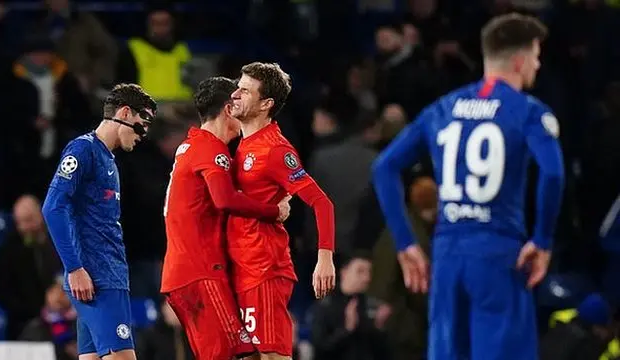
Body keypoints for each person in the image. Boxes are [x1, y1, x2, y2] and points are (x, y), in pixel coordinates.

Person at [372, 13, 565, 360]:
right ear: (520, 60)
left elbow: (384, 166)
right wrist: (543, 240)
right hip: (498, 254)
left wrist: (405, 243)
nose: (538, 64)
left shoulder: (444, 107)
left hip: (446, 257)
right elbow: (553, 173)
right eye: (536, 55)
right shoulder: (528, 110)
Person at [160, 76, 293, 360]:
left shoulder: (193, 146)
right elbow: (225, 199)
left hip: (191, 271)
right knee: (230, 356)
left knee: (247, 355)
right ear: (227, 109)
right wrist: (274, 212)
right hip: (200, 272)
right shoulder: (211, 149)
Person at [228, 62, 336, 360]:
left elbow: (321, 203)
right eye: (238, 86)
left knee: (273, 356)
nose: (235, 94)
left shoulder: (276, 150)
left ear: (266, 104)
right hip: (241, 266)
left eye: (245, 90)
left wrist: (324, 258)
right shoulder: (242, 141)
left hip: (264, 269)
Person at [42, 83, 157, 360]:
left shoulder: (108, 158)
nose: (144, 134)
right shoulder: (84, 150)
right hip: (98, 277)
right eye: (142, 125)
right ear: (125, 113)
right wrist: (74, 268)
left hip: (106, 274)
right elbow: (52, 207)